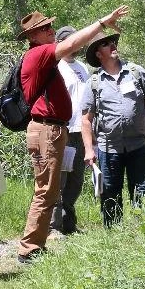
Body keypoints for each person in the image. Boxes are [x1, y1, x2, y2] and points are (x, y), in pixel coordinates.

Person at [15, 6, 129, 263]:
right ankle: (29, 248)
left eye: (50, 26)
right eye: (45, 29)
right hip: (47, 131)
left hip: (52, 130)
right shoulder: (40, 54)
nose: (51, 31)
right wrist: (102, 22)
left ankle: (35, 245)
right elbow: (72, 42)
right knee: (46, 190)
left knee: (49, 188)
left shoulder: (39, 54)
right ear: (34, 36)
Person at [80, 32, 145, 227]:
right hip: (108, 149)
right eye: (106, 44)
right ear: (98, 54)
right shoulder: (94, 82)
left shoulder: (136, 72)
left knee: (142, 193)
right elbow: (86, 120)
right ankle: (113, 236)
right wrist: (89, 149)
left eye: (113, 42)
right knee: (109, 195)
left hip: (138, 146)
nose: (112, 45)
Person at [51, 26, 90, 235]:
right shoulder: (56, 67)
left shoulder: (83, 68)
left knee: (76, 179)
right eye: (68, 41)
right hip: (63, 130)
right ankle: (54, 227)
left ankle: (69, 224)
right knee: (59, 179)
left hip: (81, 131)